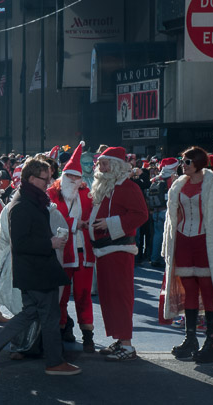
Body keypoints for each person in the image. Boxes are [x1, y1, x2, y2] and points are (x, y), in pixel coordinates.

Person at [0, 158, 80, 376]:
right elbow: (21, 243)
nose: (49, 182)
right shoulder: (23, 205)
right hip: (37, 271)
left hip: (34, 270)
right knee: (49, 316)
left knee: (32, 313)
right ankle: (54, 362)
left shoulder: (29, 200)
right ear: (32, 179)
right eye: (45, 178)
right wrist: (50, 243)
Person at [162, 147, 213, 364]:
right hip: (183, 242)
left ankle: (211, 343)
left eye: (187, 160)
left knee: (209, 290)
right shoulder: (178, 185)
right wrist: (167, 245)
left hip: (206, 242)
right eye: (183, 160)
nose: (184, 164)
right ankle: (190, 339)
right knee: (189, 290)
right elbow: (170, 218)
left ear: (199, 162)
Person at [88, 147, 149, 361]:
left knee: (120, 297)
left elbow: (141, 214)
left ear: (115, 166)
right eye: (100, 163)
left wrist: (110, 223)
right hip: (105, 250)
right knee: (109, 297)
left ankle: (127, 345)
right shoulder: (107, 187)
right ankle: (119, 339)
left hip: (119, 250)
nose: (100, 168)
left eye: (105, 164)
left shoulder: (128, 187)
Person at [46, 143, 96, 353]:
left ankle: (88, 335)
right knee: (61, 295)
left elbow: (94, 217)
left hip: (84, 252)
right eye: (70, 177)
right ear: (63, 176)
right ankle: (61, 329)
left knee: (84, 294)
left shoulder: (87, 195)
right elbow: (51, 219)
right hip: (62, 253)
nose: (74, 181)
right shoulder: (51, 194)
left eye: (77, 177)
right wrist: (76, 224)